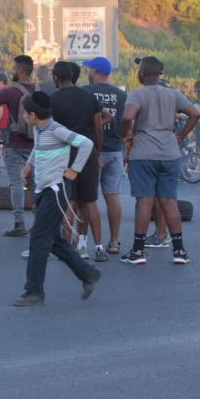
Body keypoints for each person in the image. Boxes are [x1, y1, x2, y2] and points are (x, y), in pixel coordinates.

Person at [13, 91, 101, 307]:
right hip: (44, 190)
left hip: (56, 191)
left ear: (33, 114)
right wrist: (29, 163)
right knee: (55, 241)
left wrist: (74, 170)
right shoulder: (39, 128)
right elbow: (37, 147)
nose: (24, 117)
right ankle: (88, 274)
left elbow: (86, 144)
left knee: (38, 241)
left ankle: (34, 292)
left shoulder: (56, 129)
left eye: (25, 114)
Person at [119, 56, 199, 265]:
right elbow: (194, 114)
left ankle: (137, 252)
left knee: (144, 201)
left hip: (144, 153)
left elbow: (127, 117)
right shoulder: (173, 94)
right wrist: (179, 136)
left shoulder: (137, 94)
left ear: (143, 73)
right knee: (169, 201)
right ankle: (179, 251)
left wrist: (125, 135)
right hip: (170, 153)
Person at [49, 62, 105, 261]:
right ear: (73, 76)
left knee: (68, 202)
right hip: (87, 152)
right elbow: (98, 129)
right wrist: (97, 154)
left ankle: (67, 249)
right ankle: (98, 247)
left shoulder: (52, 100)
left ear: (56, 77)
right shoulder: (89, 97)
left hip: (64, 155)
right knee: (89, 202)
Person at [0, 55, 38, 237]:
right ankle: (38, 222)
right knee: (34, 184)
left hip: (14, 145)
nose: (11, 71)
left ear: (20, 70)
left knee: (17, 183)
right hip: (35, 146)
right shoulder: (39, 90)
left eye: (13, 69)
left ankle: (19, 223)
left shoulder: (11, 92)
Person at [83, 57, 126, 257]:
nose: (88, 73)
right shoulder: (120, 94)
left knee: (87, 198)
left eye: (89, 69)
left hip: (92, 151)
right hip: (116, 149)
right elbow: (127, 121)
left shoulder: (85, 92)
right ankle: (114, 241)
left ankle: (80, 241)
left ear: (94, 71)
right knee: (113, 196)